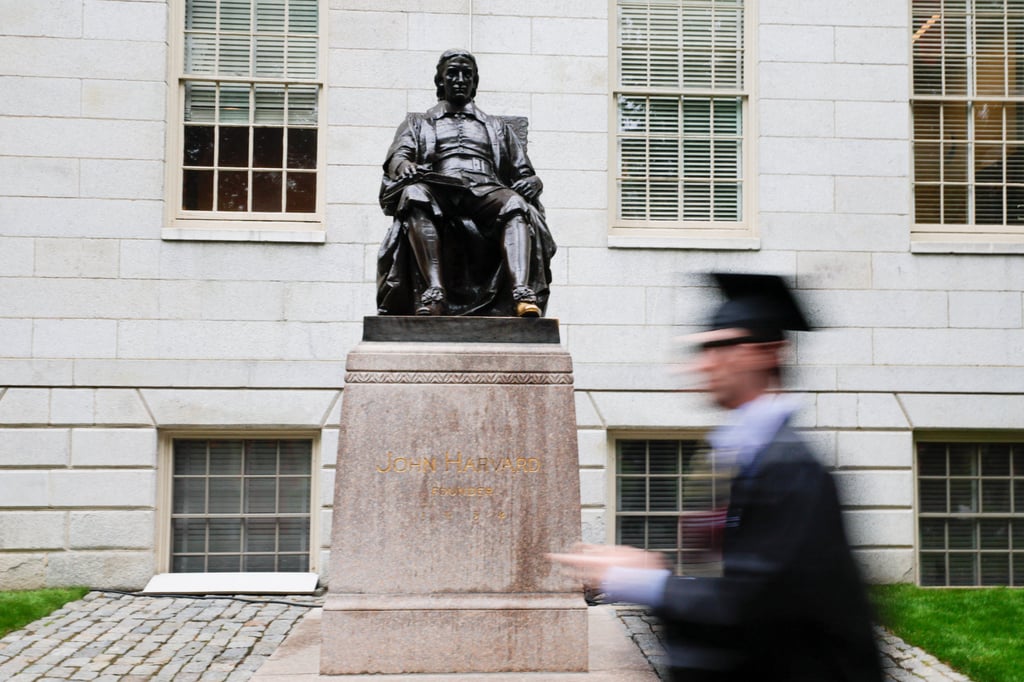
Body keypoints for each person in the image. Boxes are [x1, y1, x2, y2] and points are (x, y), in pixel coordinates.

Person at [550, 273, 883, 682]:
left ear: (768, 351)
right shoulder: (740, 452)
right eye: (703, 348)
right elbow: (731, 577)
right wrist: (660, 569)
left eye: (721, 346)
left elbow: (756, 604)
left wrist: (642, 580)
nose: (703, 363)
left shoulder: (791, 468)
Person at [376, 49, 556, 318]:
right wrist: (405, 166)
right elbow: (398, 157)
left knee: (516, 203)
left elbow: (524, 172)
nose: (460, 79)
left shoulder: (496, 127)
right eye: (452, 74)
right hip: (438, 188)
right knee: (413, 194)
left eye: (466, 75)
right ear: (440, 82)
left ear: (475, 83)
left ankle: (521, 294)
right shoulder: (418, 123)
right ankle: (434, 292)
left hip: (486, 189)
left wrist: (534, 182)